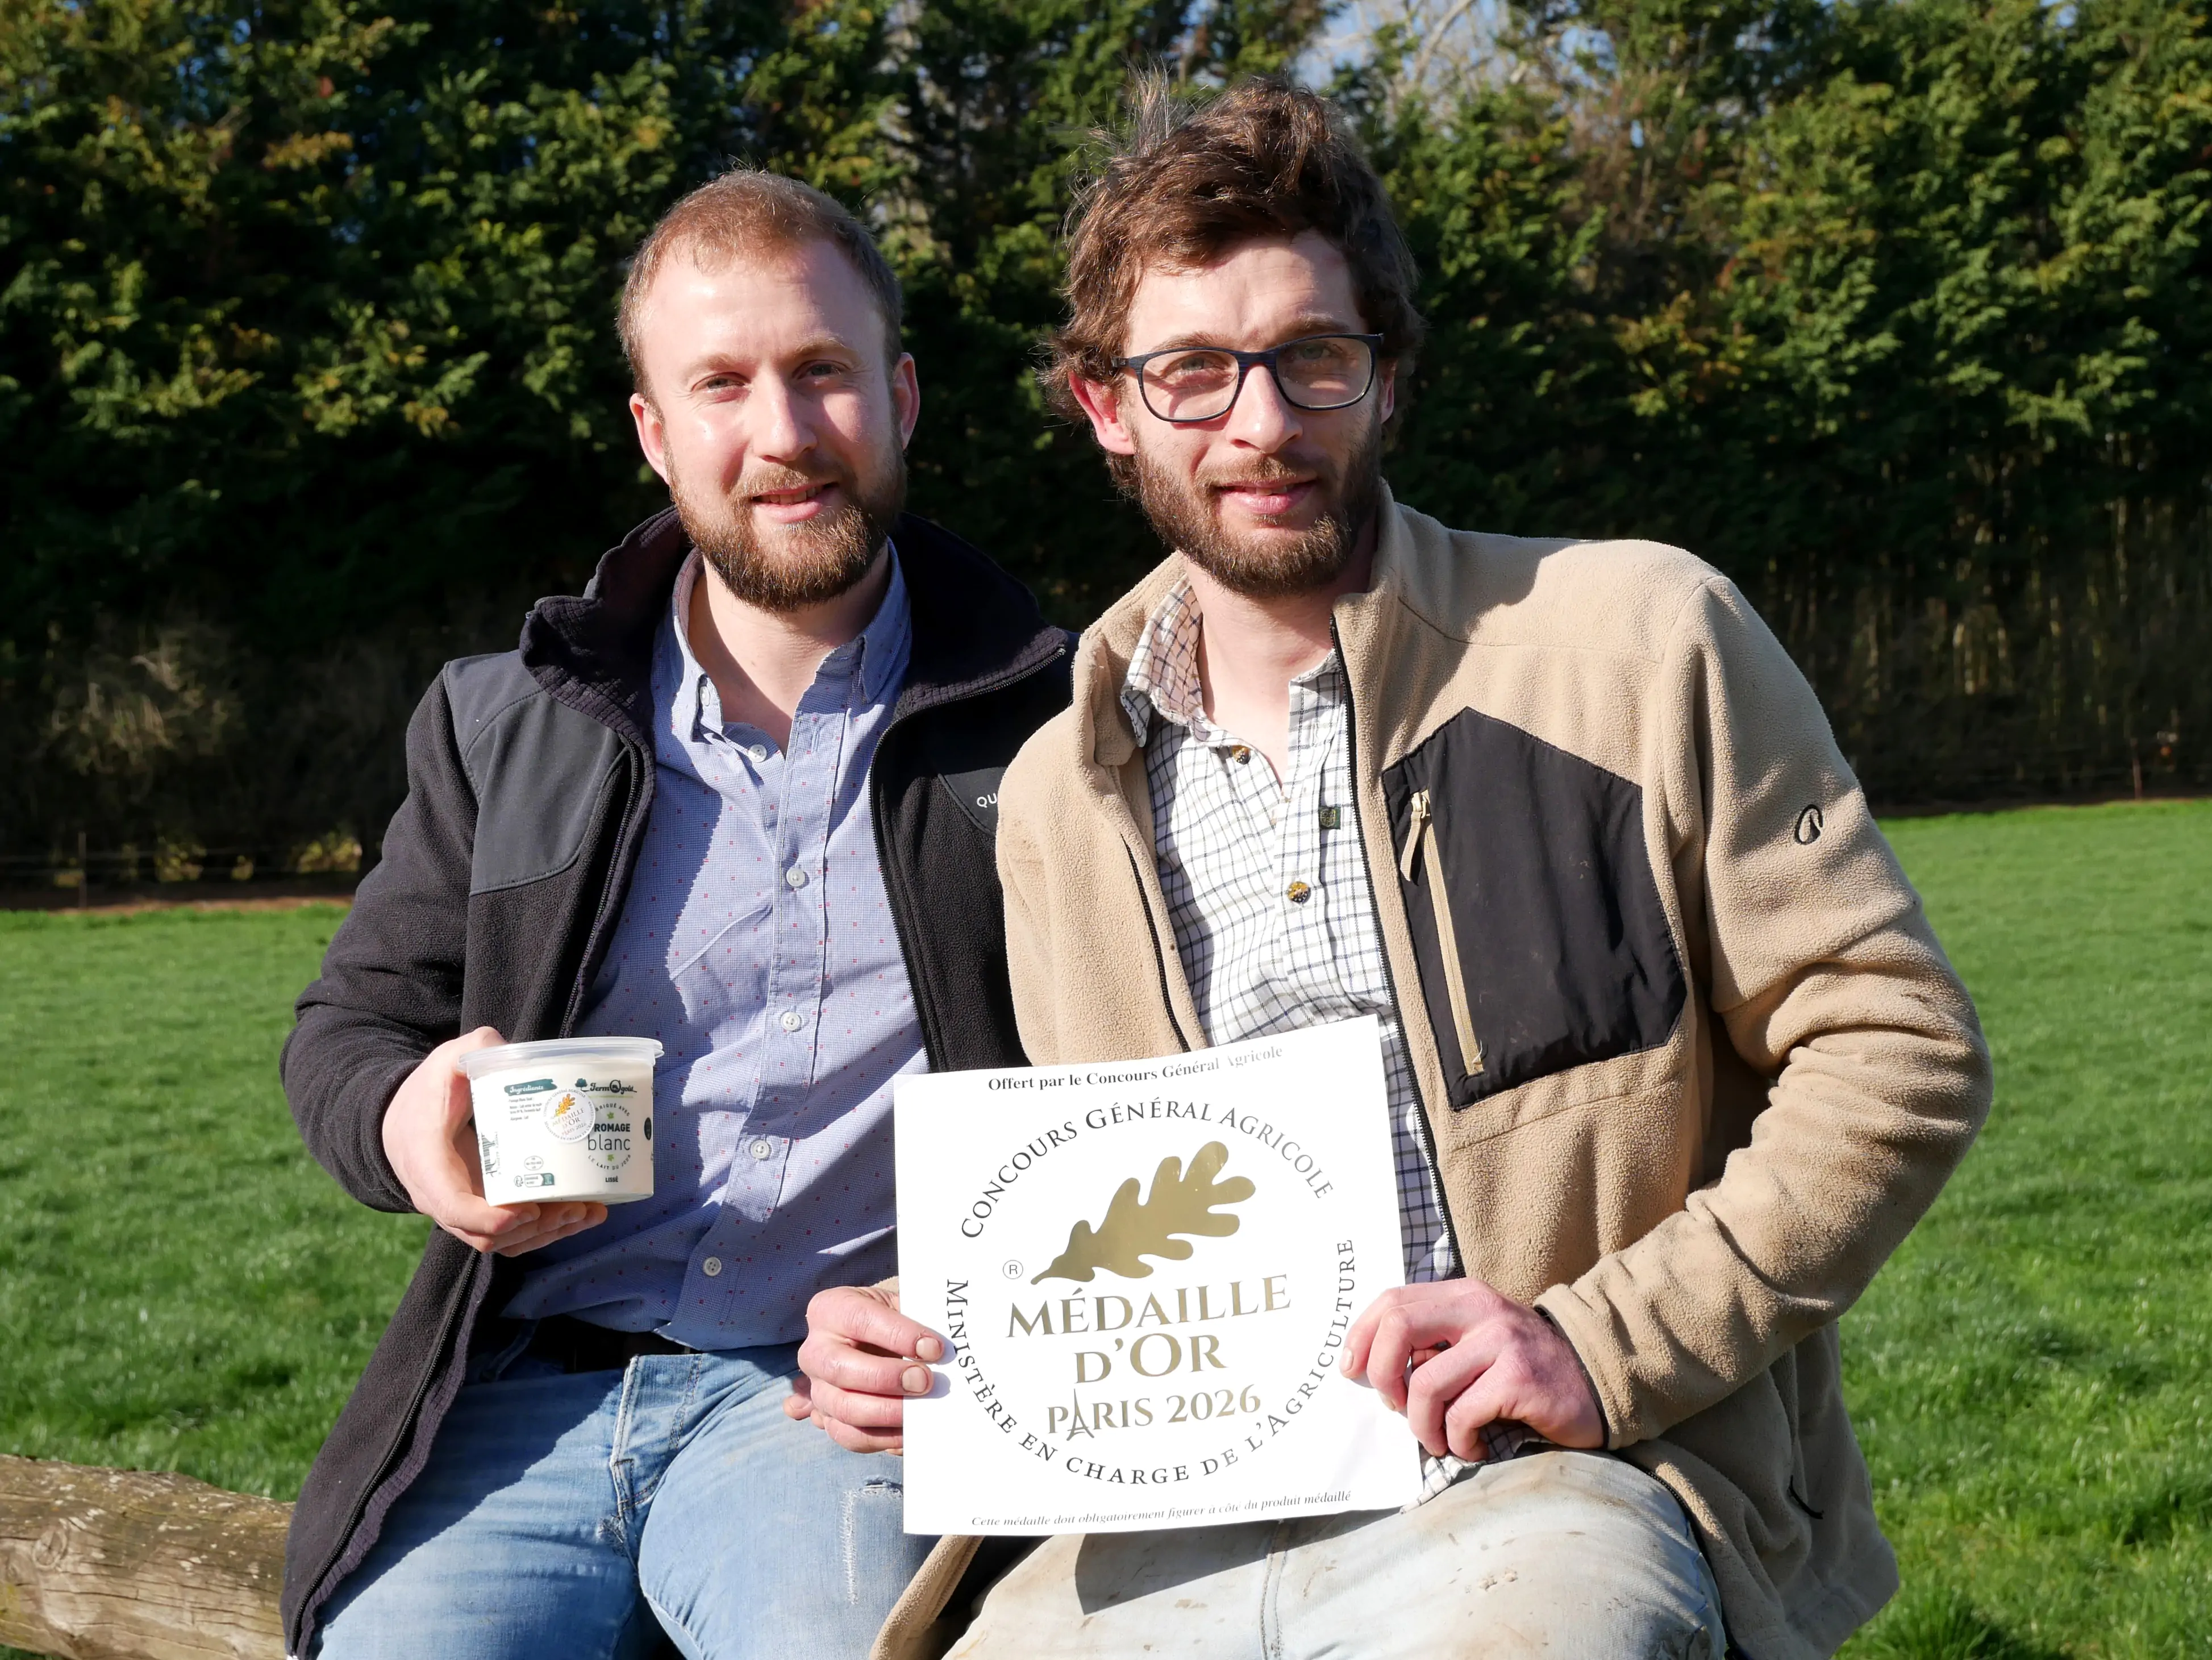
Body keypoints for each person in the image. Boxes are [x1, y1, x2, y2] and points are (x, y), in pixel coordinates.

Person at [788, 79, 1993, 1660]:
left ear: (1386, 377)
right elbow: (1083, 1212)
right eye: (1191, 371)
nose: (1262, 424)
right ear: (1105, 406)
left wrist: (1596, 1345)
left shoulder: (1636, 640)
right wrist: (903, 1336)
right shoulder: (1049, 799)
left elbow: (1893, 1047)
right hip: (1163, 1527)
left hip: (1553, 1482)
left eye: (1315, 357)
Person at [279, 169, 1071, 1660]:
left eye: (824, 371)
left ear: (901, 396)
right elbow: (350, 1026)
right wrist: (402, 1123)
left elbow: (1148, 1081)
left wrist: (973, 1300)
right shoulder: (509, 724)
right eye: (721, 385)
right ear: (654, 430)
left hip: (832, 1412)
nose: (784, 434)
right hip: (521, 1388)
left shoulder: (1054, 727)